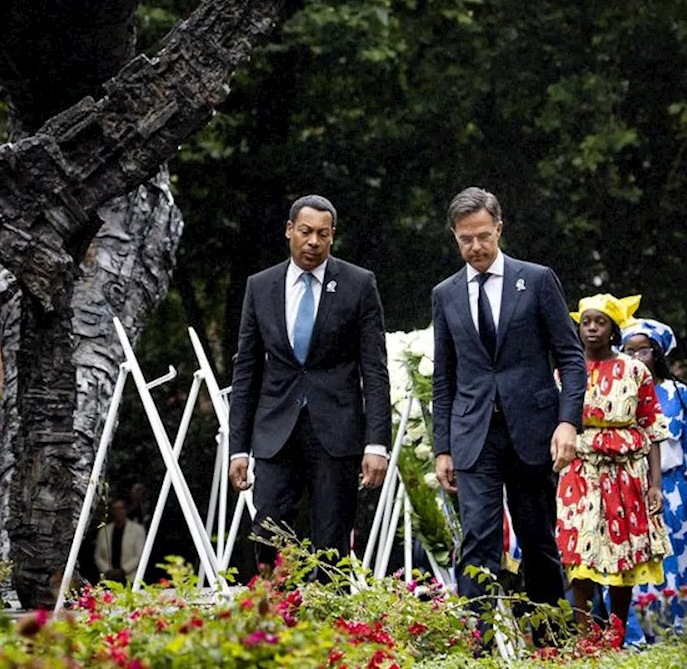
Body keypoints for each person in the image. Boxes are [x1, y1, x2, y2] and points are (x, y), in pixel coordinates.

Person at [430, 187, 587, 623]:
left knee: (536, 537)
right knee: (478, 537)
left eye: (483, 236)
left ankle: (551, 640)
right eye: (466, 239)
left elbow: (571, 358)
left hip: (533, 431)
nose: (476, 247)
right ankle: (475, 643)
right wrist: (442, 446)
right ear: (454, 237)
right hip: (473, 435)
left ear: (499, 229)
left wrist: (567, 423)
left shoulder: (536, 280)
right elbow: (445, 377)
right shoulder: (445, 294)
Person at [228, 195, 391, 570]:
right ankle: (271, 621)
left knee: (331, 544)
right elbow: (247, 369)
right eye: (305, 232)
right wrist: (239, 448)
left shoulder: (358, 284)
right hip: (275, 430)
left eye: (322, 234)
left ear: (333, 236)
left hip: (336, 431)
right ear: (289, 231)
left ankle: (329, 625)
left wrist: (377, 443)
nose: (313, 242)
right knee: (267, 532)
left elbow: (375, 370)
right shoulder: (260, 286)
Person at [557, 293, 671, 632]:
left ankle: (617, 636)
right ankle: (586, 636)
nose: (591, 328)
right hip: (580, 470)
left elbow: (652, 429)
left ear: (613, 330)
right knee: (580, 554)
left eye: (600, 322)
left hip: (626, 472)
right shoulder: (565, 371)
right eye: (586, 322)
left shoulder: (636, 372)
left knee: (623, 556)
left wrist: (655, 485)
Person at [624, 319, 687, 633]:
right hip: (632, 492)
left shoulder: (676, 392)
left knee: (681, 561)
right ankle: (639, 638)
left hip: (675, 491)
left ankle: (686, 634)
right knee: (638, 566)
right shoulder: (619, 393)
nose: (637, 358)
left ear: (658, 354)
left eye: (644, 351)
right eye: (629, 351)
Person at [94, 498, 146, 583]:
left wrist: (123, 570)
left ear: (125, 510)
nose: (118, 512)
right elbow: (98, 556)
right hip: (108, 578)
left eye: (120, 508)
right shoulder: (104, 531)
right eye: (115, 509)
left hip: (130, 578)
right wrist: (108, 570)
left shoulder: (137, 530)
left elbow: (139, 555)